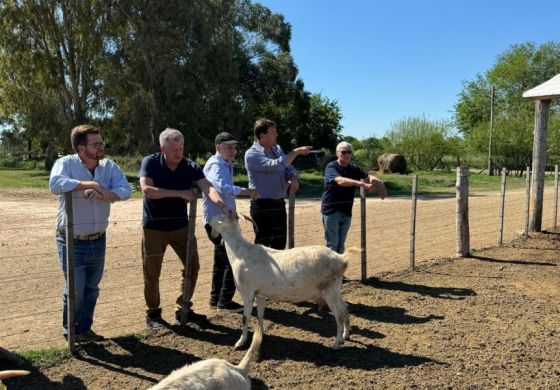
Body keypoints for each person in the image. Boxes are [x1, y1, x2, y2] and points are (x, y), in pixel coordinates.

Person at [139, 128, 229, 329]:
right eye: (174, 150)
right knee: (152, 272)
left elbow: (208, 187)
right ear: (163, 148)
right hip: (154, 227)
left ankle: (184, 309)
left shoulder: (190, 166)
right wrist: (180, 193)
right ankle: (153, 314)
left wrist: (223, 206)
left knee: (192, 266)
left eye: (181, 148)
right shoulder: (151, 162)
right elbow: (147, 191)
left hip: (181, 227)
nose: (179, 153)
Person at [49, 124, 131, 343]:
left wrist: (106, 194)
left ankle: (84, 329)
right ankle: (71, 332)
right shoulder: (65, 163)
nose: (101, 147)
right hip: (71, 239)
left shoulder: (109, 166)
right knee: (75, 289)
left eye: (101, 142)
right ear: (81, 148)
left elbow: (126, 190)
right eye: (96, 144)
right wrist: (91, 184)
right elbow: (56, 184)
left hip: (98, 238)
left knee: (92, 289)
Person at [202, 132, 259, 313]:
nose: (233, 150)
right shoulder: (215, 164)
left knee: (221, 261)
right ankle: (224, 302)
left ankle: (216, 299)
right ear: (218, 147)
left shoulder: (224, 164)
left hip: (220, 219)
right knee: (231, 260)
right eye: (229, 147)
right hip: (218, 221)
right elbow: (220, 187)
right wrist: (245, 190)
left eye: (234, 147)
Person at [244, 118, 311, 249]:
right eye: (273, 132)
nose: (277, 135)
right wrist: (296, 152)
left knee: (279, 245)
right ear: (262, 135)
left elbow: (288, 167)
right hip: (262, 206)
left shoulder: (277, 149)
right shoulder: (251, 154)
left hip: (279, 204)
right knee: (263, 248)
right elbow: (275, 165)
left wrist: (293, 177)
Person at [321, 141, 388, 256]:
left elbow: (368, 177)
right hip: (331, 211)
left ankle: (339, 274)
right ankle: (331, 274)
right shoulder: (331, 166)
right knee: (332, 245)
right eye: (343, 152)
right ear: (337, 153)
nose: (347, 154)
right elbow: (341, 180)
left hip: (346, 211)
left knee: (341, 245)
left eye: (349, 152)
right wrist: (362, 184)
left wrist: (380, 183)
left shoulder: (353, 168)